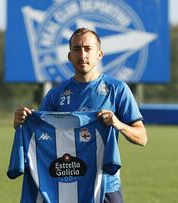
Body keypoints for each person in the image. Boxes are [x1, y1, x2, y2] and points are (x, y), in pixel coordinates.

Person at [13, 27, 147, 202]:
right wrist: (20, 123)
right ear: (69, 56)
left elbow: (142, 138)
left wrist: (118, 124)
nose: (82, 54)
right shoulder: (56, 94)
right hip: (66, 186)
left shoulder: (117, 89)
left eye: (88, 48)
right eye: (76, 49)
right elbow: (38, 135)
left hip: (106, 185)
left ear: (99, 54)